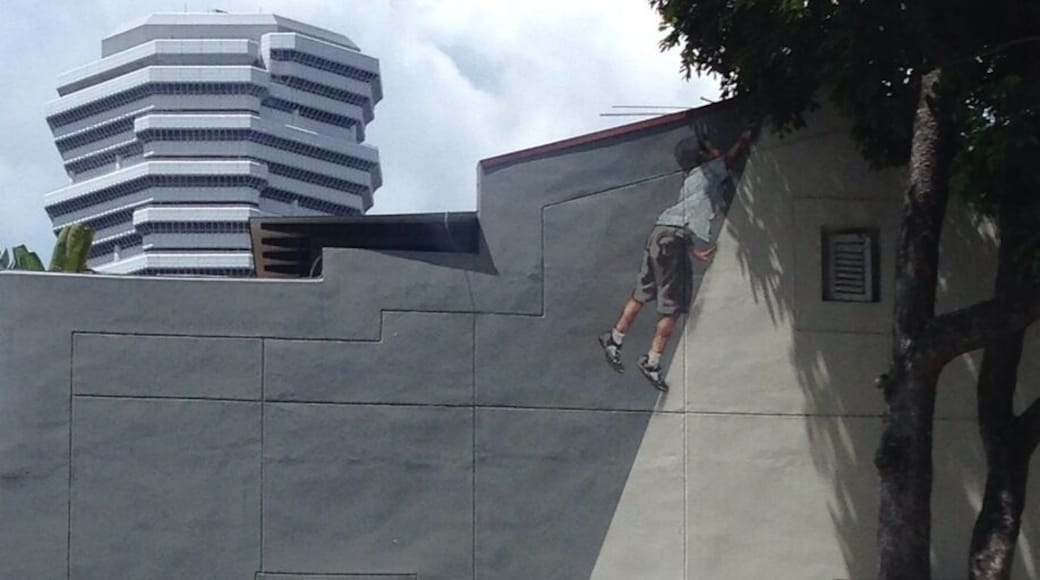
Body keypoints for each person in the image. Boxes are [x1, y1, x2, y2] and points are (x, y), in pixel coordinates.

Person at [599, 129, 752, 391]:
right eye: (710, 147)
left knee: (642, 293)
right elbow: (729, 159)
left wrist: (692, 250)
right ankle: (652, 362)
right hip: (673, 239)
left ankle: (615, 338)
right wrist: (744, 138)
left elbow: (683, 219)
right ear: (703, 157)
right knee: (673, 308)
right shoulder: (709, 171)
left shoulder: (692, 179)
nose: (715, 149)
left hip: (661, 233)